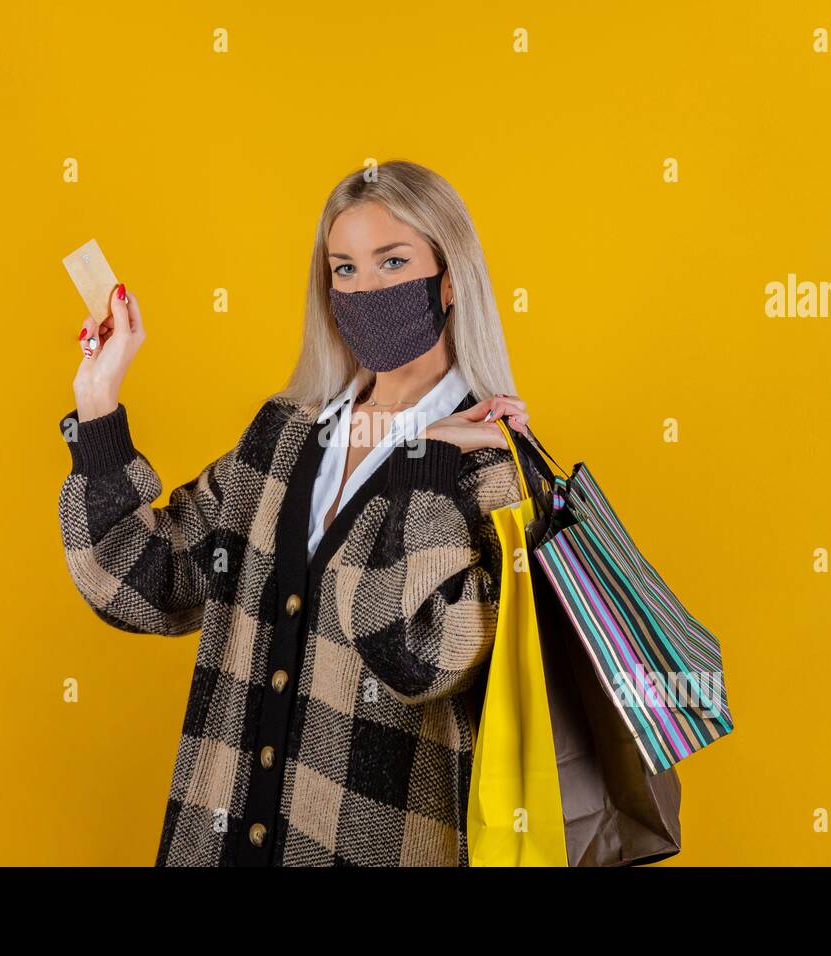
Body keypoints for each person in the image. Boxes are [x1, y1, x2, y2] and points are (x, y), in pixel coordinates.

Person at [57, 159, 534, 866]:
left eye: (392, 261)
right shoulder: (284, 437)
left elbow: (420, 661)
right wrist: (99, 408)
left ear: (452, 279)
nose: (364, 289)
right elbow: (143, 584)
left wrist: (422, 464)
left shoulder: (491, 470)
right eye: (344, 269)